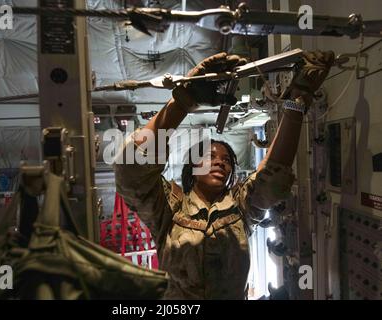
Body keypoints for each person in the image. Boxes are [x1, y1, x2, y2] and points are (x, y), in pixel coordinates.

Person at [114, 51, 334, 299]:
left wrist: (298, 100)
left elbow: (273, 175)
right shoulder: (168, 208)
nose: (220, 162)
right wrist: (183, 101)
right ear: (193, 167)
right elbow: (129, 170)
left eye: (226, 160)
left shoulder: (241, 206)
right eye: (210, 157)